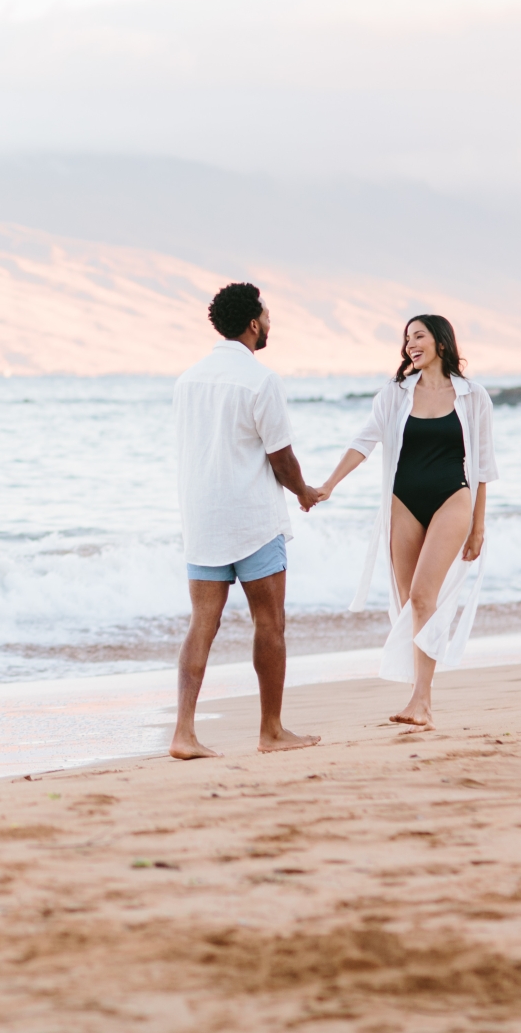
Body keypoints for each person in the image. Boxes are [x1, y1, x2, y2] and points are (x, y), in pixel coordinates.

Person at [315, 314, 496, 729]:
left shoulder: (473, 396)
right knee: (408, 602)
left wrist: (479, 526)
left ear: (441, 342)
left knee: (422, 595)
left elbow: (484, 465)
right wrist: (329, 485)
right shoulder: (394, 394)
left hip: (453, 497)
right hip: (402, 501)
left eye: (419, 336)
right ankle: (418, 695)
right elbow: (364, 441)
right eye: (407, 338)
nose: (411, 344)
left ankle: (422, 700)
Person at [170, 282, 323, 760]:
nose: (271, 322)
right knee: (269, 622)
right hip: (253, 520)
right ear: (254, 323)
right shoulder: (261, 380)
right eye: (268, 315)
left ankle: (183, 733)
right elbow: (280, 457)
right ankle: (271, 731)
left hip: (202, 519)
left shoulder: (188, 379)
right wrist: (305, 492)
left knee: (202, 624)